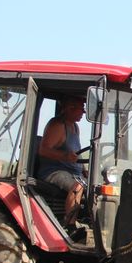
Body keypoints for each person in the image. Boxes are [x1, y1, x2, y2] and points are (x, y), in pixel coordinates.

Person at [38, 96, 86, 227]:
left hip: (73, 172)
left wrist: (85, 169)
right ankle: (70, 224)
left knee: (96, 188)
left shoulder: (75, 127)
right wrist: (65, 156)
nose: (83, 113)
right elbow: (43, 150)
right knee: (78, 186)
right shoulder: (57, 125)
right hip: (54, 171)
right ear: (70, 108)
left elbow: (77, 151)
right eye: (81, 109)